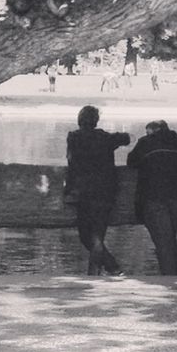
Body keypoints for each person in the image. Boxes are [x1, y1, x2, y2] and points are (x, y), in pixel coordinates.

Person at [127, 120, 177, 275]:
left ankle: (171, 284)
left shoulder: (146, 143)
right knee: (168, 241)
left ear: (153, 131)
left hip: (154, 198)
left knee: (164, 245)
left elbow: (131, 161)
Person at [64, 105, 130, 275]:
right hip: (105, 191)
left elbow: (71, 164)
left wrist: (68, 190)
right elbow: (126, 138)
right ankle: (110, 269)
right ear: (96, 121)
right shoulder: (105, 138)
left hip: (83, 191)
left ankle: (102, 271)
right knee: (96, 236)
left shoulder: (74, 137)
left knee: (87, 236)